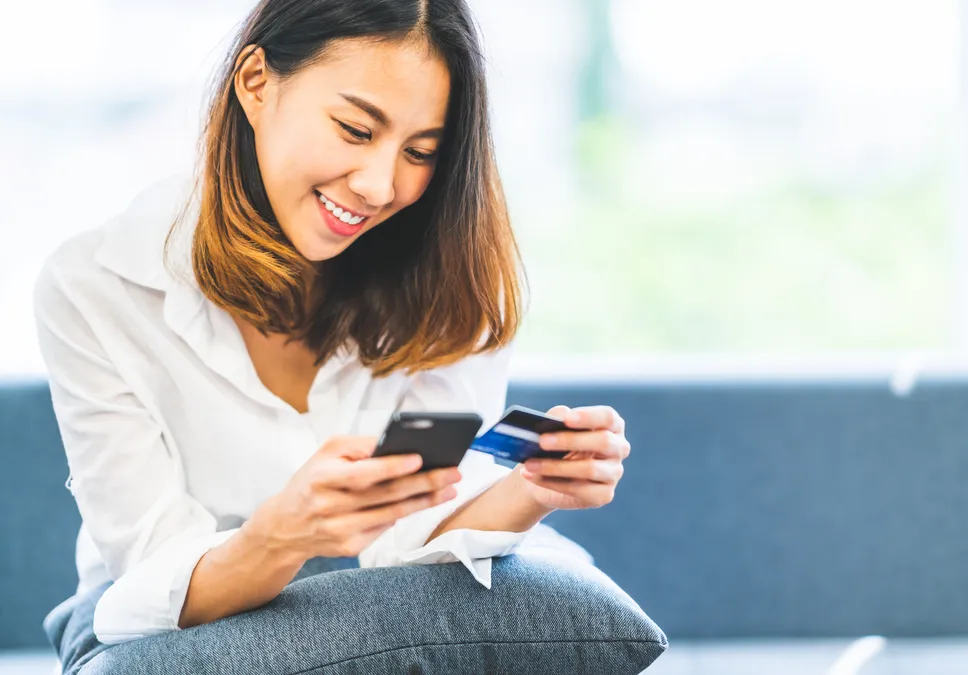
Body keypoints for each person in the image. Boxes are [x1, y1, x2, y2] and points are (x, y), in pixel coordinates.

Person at [34, 0, 631, 669]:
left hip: (379, 585)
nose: (380, 186)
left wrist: (531, 490)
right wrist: (279, 537)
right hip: (177, 605)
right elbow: (150, 576)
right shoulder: (95, 286)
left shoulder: (455, 283)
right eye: (354, 129)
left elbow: (411, 536)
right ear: (256, 81)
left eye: (420, 151)